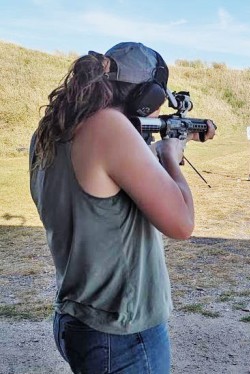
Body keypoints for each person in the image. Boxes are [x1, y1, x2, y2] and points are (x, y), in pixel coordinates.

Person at [29, 42, 215, 373]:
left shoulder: (52, 129)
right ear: (146, 97)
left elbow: (98, 194)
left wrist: (151, 153)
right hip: (122, 332)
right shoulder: (109, 128)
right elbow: (182, 223)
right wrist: (170, 158)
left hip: (78, 318)